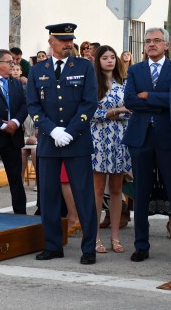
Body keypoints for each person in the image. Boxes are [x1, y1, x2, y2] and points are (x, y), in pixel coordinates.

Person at [25, 23, 99, 265]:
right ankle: (53, 245)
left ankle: (89, 248)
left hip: (76, 142)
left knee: (83, 195)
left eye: (71, 39)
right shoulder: (38, 70)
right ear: (51, 41)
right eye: (63, 40)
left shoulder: (84, 66)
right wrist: (52, 130)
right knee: (47, 196)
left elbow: (89, 103)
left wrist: (70, 131)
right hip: (49, 142)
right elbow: (33, 105)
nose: (68, 44)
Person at [123, 27, 171, 263]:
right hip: (141, 138)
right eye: (148, 41)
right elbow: (129, 100)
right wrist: (156, 101)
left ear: (166, 45)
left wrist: (147, 96)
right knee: (141, 193)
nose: (151, 44)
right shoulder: (136, 70)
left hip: (169, 138)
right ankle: (141, 245)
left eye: (157, 41)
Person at [90, 45, 131, 254]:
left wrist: (113, 113)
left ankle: (115, 237)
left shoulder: (122, 84)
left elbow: (130, 111)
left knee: (116, 190)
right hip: (97, 141)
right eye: (105, 57)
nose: (109, 61)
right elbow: (91, 113)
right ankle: (95, 237)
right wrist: (115, 111)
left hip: (119, 140)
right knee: (97, 190)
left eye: (112, 57)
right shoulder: (92, 84)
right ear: (98, 61)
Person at [0, 49, 28, 214]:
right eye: (9, 62)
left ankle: (20, 214)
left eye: (13, 62)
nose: (13, 65)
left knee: (16, 179)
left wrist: (15, 122)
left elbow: (25, 105)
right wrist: (1, 125)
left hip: (13, 137)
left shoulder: (16, 83)